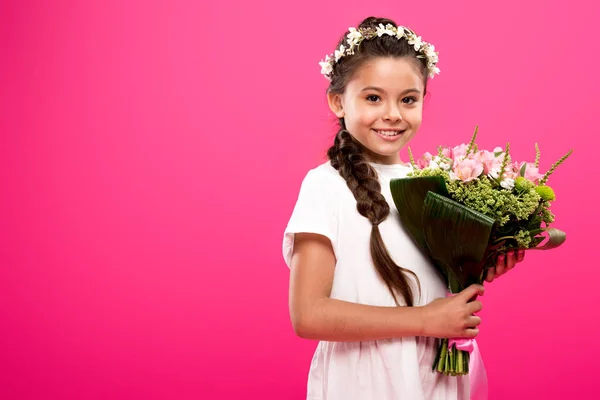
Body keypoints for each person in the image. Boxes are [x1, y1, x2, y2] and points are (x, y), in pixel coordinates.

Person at [282, 16, 525, 400]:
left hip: (431, 373)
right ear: (338, 101)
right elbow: (308, 314)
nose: (393, 113)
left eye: (408, 99)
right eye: (373, 97)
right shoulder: (324, 186)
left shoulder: (430, 183)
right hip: (364, 380)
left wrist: (480, 265)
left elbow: (430, 280)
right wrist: (425, 320)